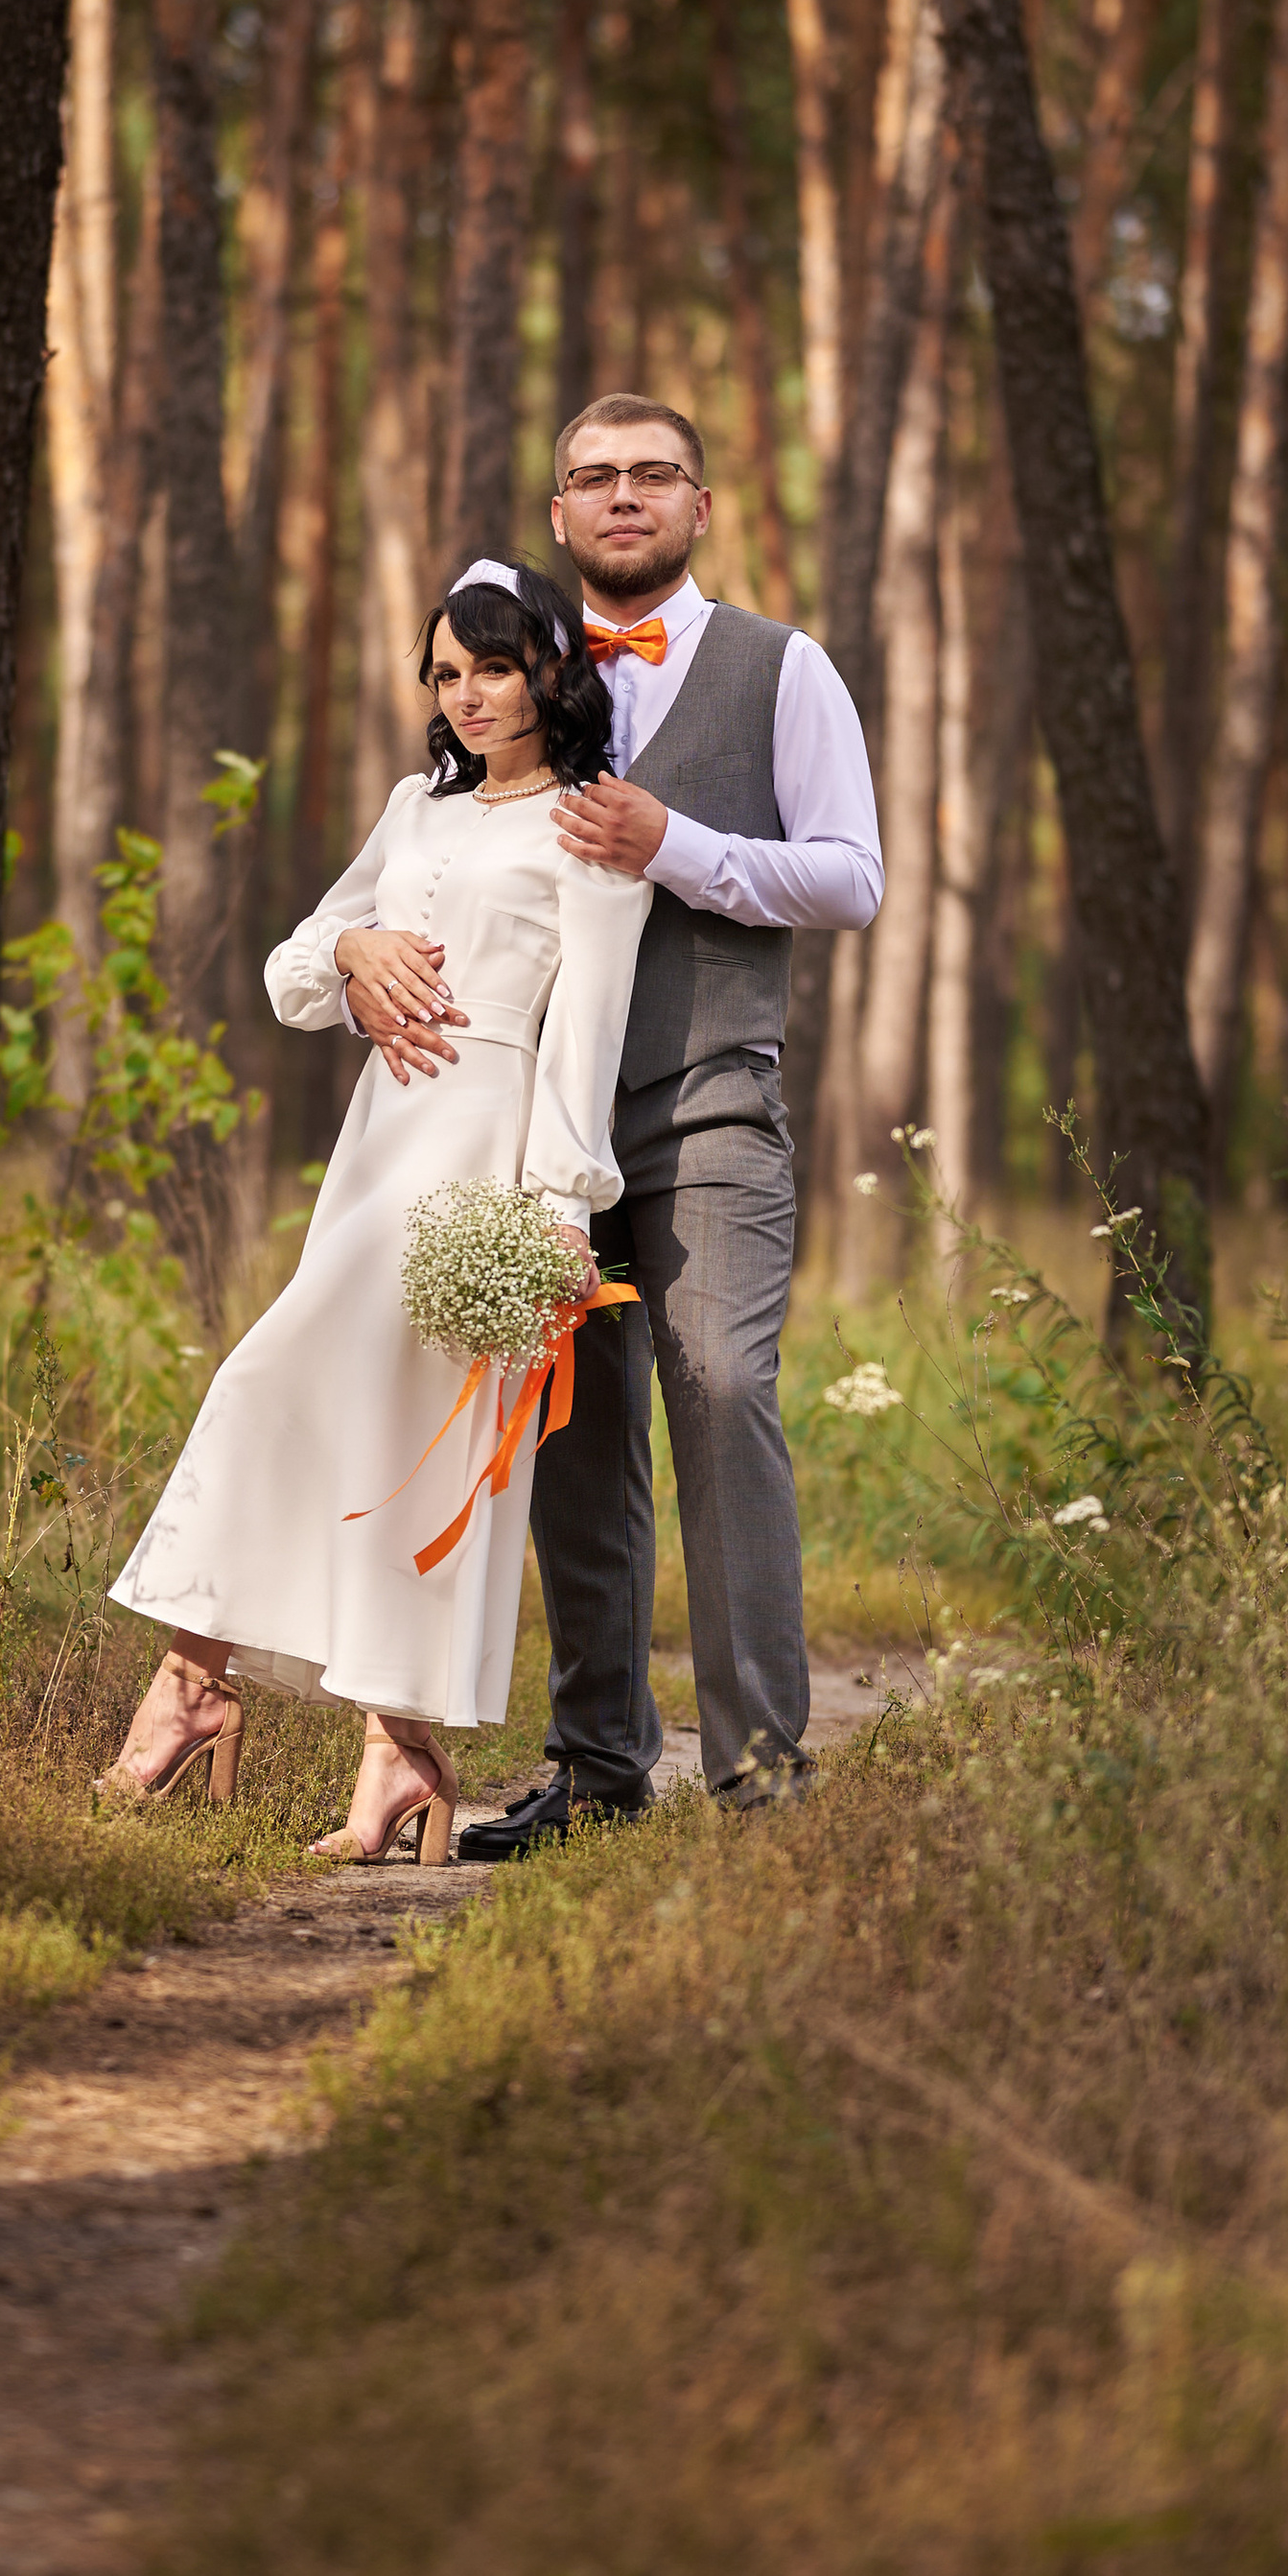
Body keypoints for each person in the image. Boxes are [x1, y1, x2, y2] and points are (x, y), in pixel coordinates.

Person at [344, 395, 883, 1856]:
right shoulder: (505, 677)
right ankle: (597, 1774)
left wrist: (680, 847)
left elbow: (852, 878)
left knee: (719, 1395)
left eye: (655, 475)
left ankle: (766, 1771)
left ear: (699, 507)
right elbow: (412, 881)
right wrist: (354, 960)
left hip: (710, 1100)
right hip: (530, 1136)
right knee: (574, 1441)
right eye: (595, 478)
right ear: (564, 513)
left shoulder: (786, 669)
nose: (624, 496)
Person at [94, 558, 652, 1866]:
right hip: (377, 1154)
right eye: (447, 673)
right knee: (275, 1384)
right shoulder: (416, 808)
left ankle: (381, 1745)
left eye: (495, 668)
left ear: (552, 671)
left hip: (486, 1166)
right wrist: (354, 953)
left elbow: (587, 1041)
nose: (468, 696)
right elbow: (295, 972)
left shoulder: (590, 831)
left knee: (423, 1453)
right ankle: (216, 1686)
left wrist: (561, 1214)